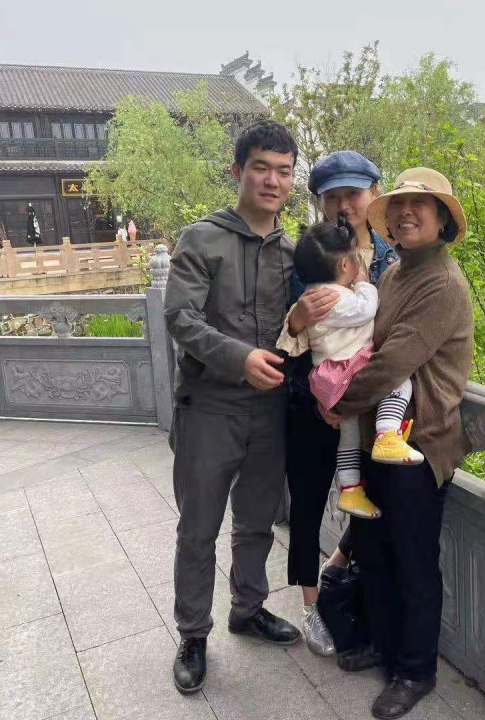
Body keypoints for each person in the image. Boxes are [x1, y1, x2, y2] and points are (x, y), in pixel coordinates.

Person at [322, 167, 474, 719]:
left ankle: (415, 671)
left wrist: (337, 402)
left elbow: (393, 362)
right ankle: (384, 646)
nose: (407, 213)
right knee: (376, 553)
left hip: (419, 443)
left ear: (442, 221)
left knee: (412, 561)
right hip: (378, 437)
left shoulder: (442, 283)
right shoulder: (394, 274)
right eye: (400, 205)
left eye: (420, 206)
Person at [164, 120, 302, 695]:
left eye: (284, 171)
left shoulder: (294, 252)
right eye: (261, 167)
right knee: (199, 528)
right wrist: (239, 358)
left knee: (256, 522)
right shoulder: (202, 239)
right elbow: (180, 317)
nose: (272, 181)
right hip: (209, 408)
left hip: (270, 412)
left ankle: (248, 608)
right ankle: (193, 634)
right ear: (238, 170)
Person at [282, 151, 397, 657]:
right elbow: (292, 342)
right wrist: (295, 323)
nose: (344, 206)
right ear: (321, 203)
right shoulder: (309, 255)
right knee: (307, 504)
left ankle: (354, 588)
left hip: (372, 403)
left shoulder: (394, 257)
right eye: (333, 198)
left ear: (374, 194)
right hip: (316, 406)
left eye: (353, 194)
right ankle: (311, 608)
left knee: (369, 499)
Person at [278, 216, 423, 519]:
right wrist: (365, 283)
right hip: (349, 369)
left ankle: (350, 488)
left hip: (327, 377)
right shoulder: (336, 298)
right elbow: (366, 310)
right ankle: (387, 434)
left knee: (349, 435)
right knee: (399, 382)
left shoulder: (308, 298)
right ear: (346, 265)